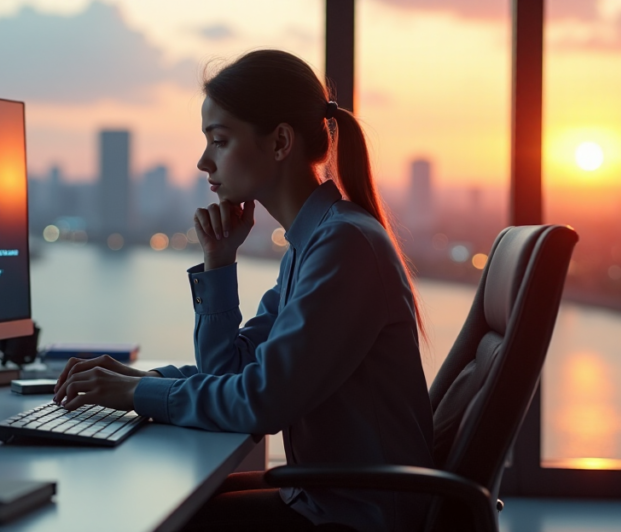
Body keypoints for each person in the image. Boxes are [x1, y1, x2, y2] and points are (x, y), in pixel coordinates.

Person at [52, 50, 434, 531]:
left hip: (355, 518)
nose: (203, 161)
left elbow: (261, 402)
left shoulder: (343, 246)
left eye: (220, 140)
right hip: (323, 501)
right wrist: (219, 262)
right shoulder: (312, 244)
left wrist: (136, 392)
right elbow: (231, 370)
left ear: (279, 142)